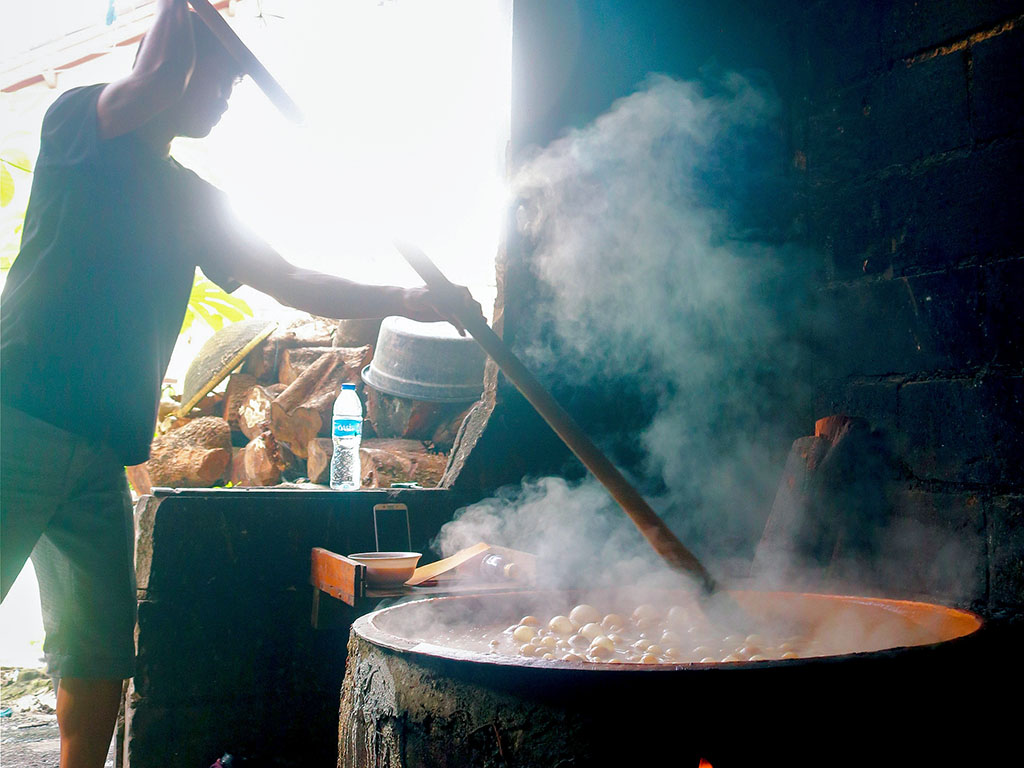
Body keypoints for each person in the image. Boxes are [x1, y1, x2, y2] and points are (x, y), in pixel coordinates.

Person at [0, 2, 482, 766]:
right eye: (216, 82)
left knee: (96, 652)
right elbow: (154, 75)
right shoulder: (78, 127)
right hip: (15, 422)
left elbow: (292, 279)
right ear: (178, 69)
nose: (224, 100)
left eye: (232, 86)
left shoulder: (190, 199)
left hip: (97, 456)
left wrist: (410, 300)